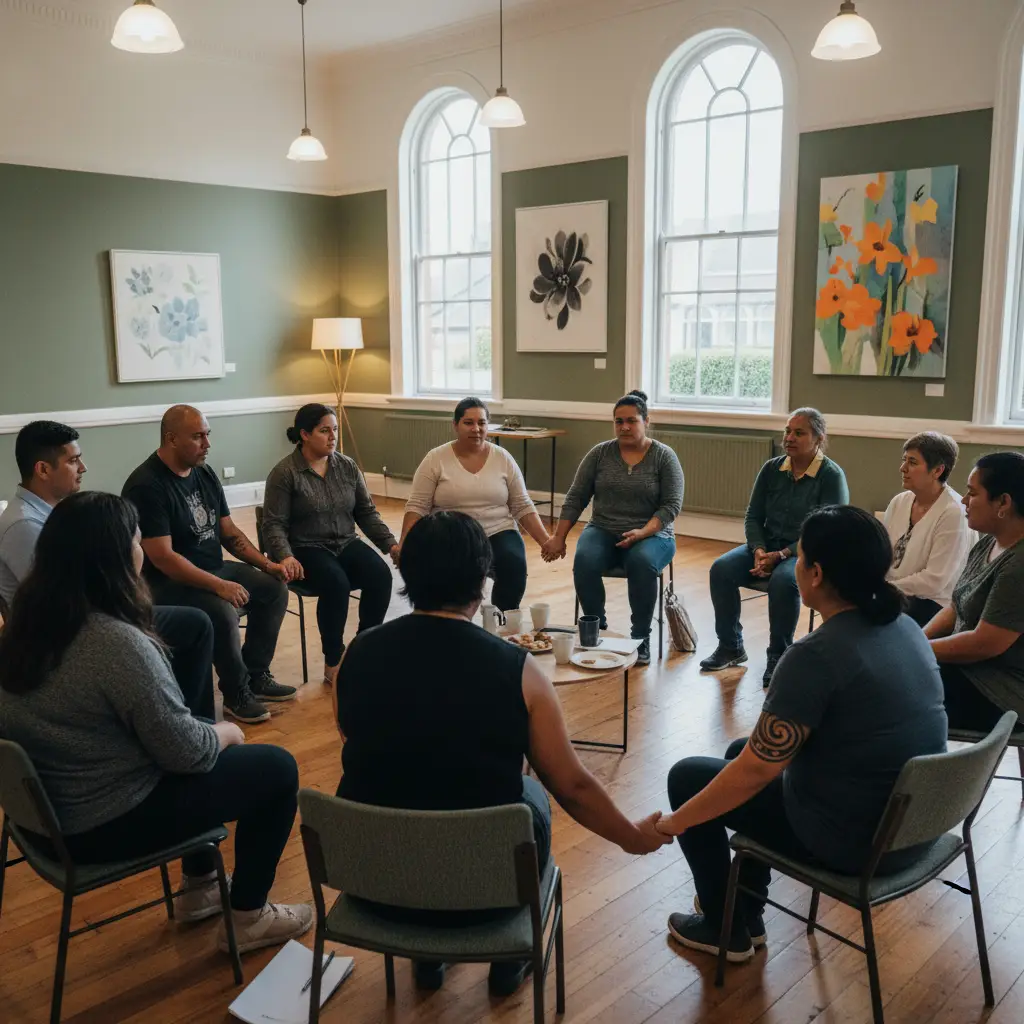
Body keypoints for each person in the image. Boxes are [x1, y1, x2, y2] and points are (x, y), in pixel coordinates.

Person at [334, 510, 672, 994]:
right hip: (485, 892)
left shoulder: (355, 655)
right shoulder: (520, 670)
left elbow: (359, 744)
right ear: (482, 576)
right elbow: (572, 786)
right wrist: (630, 837)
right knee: (531, 791)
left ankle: (427, 958)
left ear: (408, 574)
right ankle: (508, 957)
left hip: (376, 883)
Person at [0, 492, 312, 954]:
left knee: (188, 626)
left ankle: (202, 885)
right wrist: (223, 732)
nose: (141, 547)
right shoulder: (114, 644)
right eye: (135, 539)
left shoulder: (24, 622)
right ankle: (249, 916)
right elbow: (188, 755)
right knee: (277, 770)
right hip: (101, 824)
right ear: (116, 556)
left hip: (45, 816)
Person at [657, 506, 946, 962]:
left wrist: (676, 822)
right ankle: (745, 910)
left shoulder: (816, 655)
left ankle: (724, 925)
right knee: (737, 749)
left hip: (857, 843)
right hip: (915, 827)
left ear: (814, 573)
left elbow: (756, 772)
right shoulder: (905, 625)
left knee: (688, 776)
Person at [0, 420, 216, 719]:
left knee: (193, 621)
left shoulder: (54, 513)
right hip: (64, 635)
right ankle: (186, 723)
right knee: (193, 624)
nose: (83, 468)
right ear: (43, 470)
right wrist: (130, 565)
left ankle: (183, 718)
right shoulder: (25, 525)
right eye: (73, 461)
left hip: (88, 616)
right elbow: (53, 602)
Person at [123, 405, 298, 725]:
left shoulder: (203, 472)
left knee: (273, 588)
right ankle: (236, 693)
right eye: (198, 437)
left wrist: (268, 564)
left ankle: (256, 674)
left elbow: (229, 533)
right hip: (165, 583)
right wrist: (219, 586)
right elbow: (163, 558)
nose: (207, 444)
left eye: (207, 435)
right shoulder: (147, 486)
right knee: (220, 610)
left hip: (212, 568)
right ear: (171, 439)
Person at [701, 408, 849, 686]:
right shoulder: (772, 469)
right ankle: (731, 646)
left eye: (799, 433)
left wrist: (782, 554)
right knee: (721, 569)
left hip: (807, 552)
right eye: (787, 431)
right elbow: (753, 515)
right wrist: (758, 549)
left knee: (784, 582)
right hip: (766, 546)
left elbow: (827, 529)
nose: (789, 438)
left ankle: (778, 655)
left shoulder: (831, 475)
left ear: (818, 439)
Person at [543, 390, 683, 666]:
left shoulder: (664, 457)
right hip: (604, 528)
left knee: (641, 561)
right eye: (619, 421)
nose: (625, 427)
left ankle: (639, 639)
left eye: (632, 420)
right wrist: (558, 536)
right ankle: (598, 632)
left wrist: (643, 532)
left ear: (646, 421)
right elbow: (576, 496)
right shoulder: (600, 454)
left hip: (653, 534)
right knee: (584, 559)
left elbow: (670, 507)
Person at [262, 404, 398, 686]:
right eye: (325, 430)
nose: (332, 436)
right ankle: (333, 659)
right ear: (304, 434)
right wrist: (285, 556)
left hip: (345, 542)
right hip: (305, 548)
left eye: (334, 429)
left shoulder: (347, 466)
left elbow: (367, 513)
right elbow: (273, 524)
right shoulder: (285, 473)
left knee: (380, 575)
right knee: (335, 583)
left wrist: (391, 545)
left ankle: (364, 649)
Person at [400, 397, 553, 612]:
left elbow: (521, 505)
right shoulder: (435, 459)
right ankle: (450, 621)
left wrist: (545, 541)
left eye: (482, 422)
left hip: (498, 530)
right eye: (468, 422)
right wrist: (404, 544)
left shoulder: (503, 458)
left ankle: (503, 621)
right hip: (452, 533)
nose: (476, 429)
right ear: (455, 425)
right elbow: (417, 505)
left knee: (514, 564)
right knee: (452, 575)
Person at [926, 452, 1024, 731]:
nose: (964, 501)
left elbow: (984, 644)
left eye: (972, 493)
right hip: (972, 672)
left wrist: (915, 652)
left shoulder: (1019, 565)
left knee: (892, 690)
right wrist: (917, 640)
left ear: (1003, 502)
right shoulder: (987, 544)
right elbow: (955, 606)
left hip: (1005, 693)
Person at [882, 431, 972, 627]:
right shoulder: (899, 502)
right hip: (895, 592)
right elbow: (880, 552)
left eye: (912, 463)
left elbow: (934, 581)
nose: (902, 468)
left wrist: (884, 589)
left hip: (934, 604)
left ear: (937, 470)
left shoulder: (953, 513)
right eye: (904, 460)